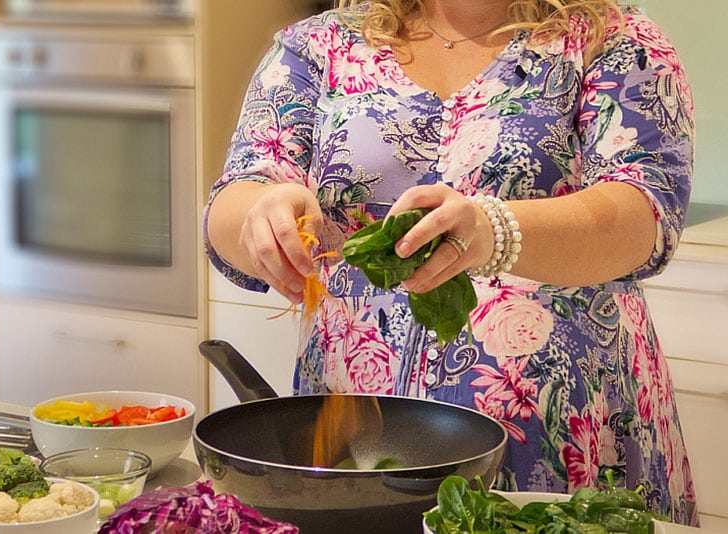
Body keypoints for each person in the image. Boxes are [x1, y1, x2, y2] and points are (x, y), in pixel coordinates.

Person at [205, 0, 698, 525]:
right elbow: (236, 194)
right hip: (354, 439)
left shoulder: (613, 39)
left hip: (564, 434)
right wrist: (259, 216)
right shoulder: (316, 48)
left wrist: (495, 230)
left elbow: (645, 214)